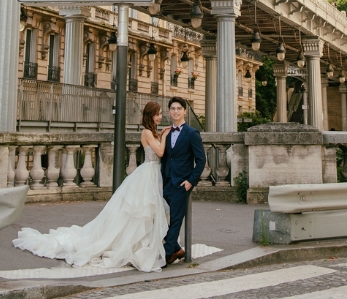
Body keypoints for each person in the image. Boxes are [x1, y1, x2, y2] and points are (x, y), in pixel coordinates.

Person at [13, 102, 170, 272]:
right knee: (140, 211)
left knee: (145, 212)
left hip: (153, 173)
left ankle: (143, 242)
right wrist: (165, 137)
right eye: (157, 114)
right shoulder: (146, 132)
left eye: (160, 114)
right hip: (148, 173)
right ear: (150, 115)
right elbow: (160, 152)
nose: (160, 117)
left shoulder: (153, 132)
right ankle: (134, 244)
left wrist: (161, 136)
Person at [160, 96, 206, 266]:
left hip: (181, 184)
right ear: (169, 111)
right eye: (173, 109)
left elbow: (201, 160)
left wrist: (190, 181)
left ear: (185, 111)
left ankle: (166, 254)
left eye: (179, 108)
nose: (176, 111)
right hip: (167, 182)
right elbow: (165, 158)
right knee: (159, 217)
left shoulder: (192, 133)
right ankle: (177, 248)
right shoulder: (166, 132)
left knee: (176, 219)